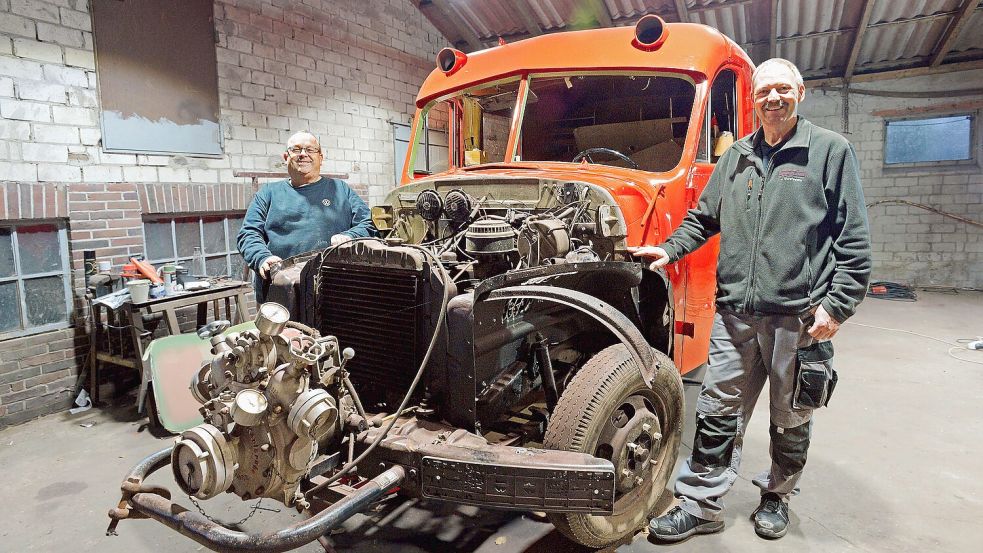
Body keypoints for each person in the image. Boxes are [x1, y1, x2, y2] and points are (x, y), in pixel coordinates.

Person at [631, 58, 871, 542]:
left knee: (790, 416)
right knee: (716, 412)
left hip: (798, 319)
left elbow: (854, 240)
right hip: (735, 315)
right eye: (764, 92)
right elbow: (704, 219)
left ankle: (777, 496)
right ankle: (701, 503)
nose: (773, 99)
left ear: (800, 92)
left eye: (783, 89)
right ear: (754, 99)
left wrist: (837, 306)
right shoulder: (736, 156)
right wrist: (670, 247)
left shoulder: (829, 151)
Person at [238, 131, 375, 301]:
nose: (303, 154)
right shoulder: (268, 193)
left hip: (335, 287)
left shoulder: (340, 190)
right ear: (286, 156)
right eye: (296, 149)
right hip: (281, 290)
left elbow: (369, 223)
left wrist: (350, 235)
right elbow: (248, 233)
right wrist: (261, 257)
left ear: (321, 157)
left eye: (310, 150)